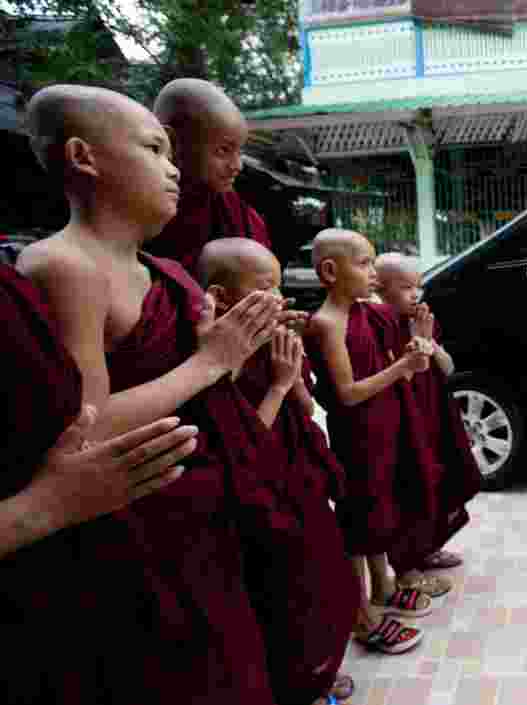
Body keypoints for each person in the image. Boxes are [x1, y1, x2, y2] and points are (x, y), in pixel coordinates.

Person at [18, 83, 287, 703]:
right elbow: (84, 430)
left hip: (199, 518)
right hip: (131, 529)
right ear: (84, 157)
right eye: (155, 149)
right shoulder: (65, 267)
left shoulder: (163, 271)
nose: (173, 169)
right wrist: (212, 361)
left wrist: (240, 349)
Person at [0, 262, 196, 704]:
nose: (177, 186)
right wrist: (40, 508)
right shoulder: (63, 266)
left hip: (97, 537)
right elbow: (89, 422)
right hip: (46, 556)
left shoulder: (162, 272)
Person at [196, 237, 360, 705]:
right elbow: (240, 448)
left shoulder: (270, 342)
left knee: (329, 583)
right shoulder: (212, 362)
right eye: (265, 287)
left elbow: (307, 411)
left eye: (279, 287)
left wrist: (292, 369)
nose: (279, 299)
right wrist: (280, 384)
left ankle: (321, 669)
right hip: (257, 503)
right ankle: (299, 684)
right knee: (288, 599)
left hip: (298, 484)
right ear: (223, 297)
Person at [304, 228, 437, 654]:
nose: (373, 273)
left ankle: (383, 588)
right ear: (329, 271)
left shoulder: (367, 311)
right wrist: (401, 368)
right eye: (363, 264)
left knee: (379, 509)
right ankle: (362, 613)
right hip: (356, 436)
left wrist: (414, 346)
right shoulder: (327, 323)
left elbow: (390, 352)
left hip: (382, 428)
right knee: (357, 522)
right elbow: (346, 393)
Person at [374, 251, 481, 578]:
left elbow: (448, 368)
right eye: (406, 287)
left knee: (444, 476)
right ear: (381, 289)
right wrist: (414, 344)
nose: (415, 294)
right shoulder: (378, 326)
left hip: (436, 412)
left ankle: (430, 548)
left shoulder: (420, 321)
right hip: (403, 418)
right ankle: (407, 561)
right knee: (411, 483)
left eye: (417, 286)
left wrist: (428, 341)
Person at [147, 78, 274, 278]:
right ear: (172, 141)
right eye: (223, 151)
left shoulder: (239, 213)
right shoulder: (139, 211)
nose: (237, 166)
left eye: (239, 151)